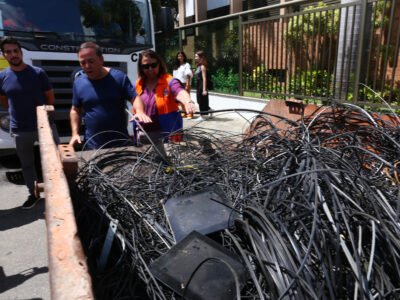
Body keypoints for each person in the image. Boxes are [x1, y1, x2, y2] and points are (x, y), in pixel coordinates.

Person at [0, 37, 59, 209]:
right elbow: (4, 100)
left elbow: (50, 97)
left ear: (21, 52)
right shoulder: (2, 77)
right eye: (8, 52)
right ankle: (33, 194)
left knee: (54, 161)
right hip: (20, 129)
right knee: (27, 164)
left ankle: (59, 192)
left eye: (15, 51)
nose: (13, 55)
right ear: (4, 55)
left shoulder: (38, 73)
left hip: (44, 126)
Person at [69, 42, 150, 150]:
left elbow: (134, 97)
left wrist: (140, 111)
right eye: (83, 63)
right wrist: (75, 133)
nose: (87, 66)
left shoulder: (118, 78)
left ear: (101, 59)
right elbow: (75, 110)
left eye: (91, 61)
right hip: (93, 146)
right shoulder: (79, 83)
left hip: (120, 144)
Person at [133, 50, 195, 158]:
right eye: (146, 66)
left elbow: (179, 91)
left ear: (159, 64)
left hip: (167, 136)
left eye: (153, 65)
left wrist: (187, 101)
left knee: (168, 166)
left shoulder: (169, 81)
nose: (150, 69)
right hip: (144, 134)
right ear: (141, 68)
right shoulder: (139, 83)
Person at [172, 51, 193, 118]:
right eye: (179, 56)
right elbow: (174, 76)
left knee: (187, 99)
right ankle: (184, 112)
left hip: (185, 83)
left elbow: (188, 75)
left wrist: (187, 84)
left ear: (184, 57)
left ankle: (190, 113)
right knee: (181, 100)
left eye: (181, 56)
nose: (180, 57)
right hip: (178, 85)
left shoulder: (186, 65)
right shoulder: (176, 66)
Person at [194, 50, 211, 120]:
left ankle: (202, 116)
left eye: (196, 56)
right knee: (198, 100)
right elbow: (197, 75)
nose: (195, 57)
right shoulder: (198, 65)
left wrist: (204, 89)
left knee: (201, 100)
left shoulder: (203, 66)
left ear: (200, 57)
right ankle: (210, 110)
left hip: (201, 84)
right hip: (198, 84)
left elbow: (204, 78)